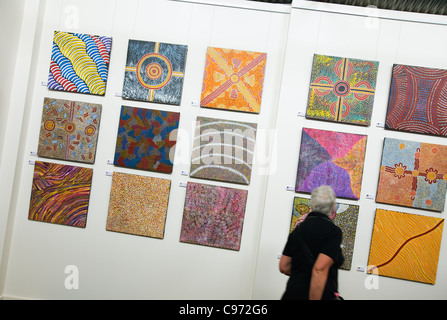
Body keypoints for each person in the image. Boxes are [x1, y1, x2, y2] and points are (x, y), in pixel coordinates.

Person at [279, 185, 344, 300]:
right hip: (318, 295)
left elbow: (284, 266)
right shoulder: (333, 232)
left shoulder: (298, 229)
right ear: (333, 206)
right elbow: (319, 269)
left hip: (293, 294)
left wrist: (301, 274)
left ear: (311, 203)